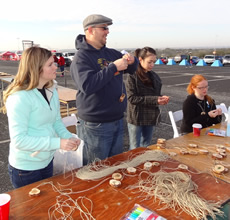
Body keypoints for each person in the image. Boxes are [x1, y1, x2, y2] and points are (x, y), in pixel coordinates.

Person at [2, 47, 81, 188]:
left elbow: (56, 121)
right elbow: (19, 140)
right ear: (36, 68)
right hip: (25, 169)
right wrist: (58, 143)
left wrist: (69, 137)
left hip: (47, 161)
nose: (56, 66)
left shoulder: (51, 90)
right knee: (31, 210)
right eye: (50, 64)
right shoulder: (19, 97)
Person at [70, 14, 138, 165]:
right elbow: (87, 85)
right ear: (91, 30)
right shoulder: (81, 58)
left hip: (116, 120)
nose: (107, 32)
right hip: (95, 125)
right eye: (104, 28)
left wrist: (133, 60)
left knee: (114, 166)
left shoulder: (111, 53)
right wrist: (113, 67)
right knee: (95, 169)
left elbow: (132, 68)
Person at [125, 47, 170, 150]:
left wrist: (161, 99)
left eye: (154, 62)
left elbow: (155, 94)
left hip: (150, 116)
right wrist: (155, 100)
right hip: (137, 117)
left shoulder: (154, 76)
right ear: (140, 59)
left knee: (146, 146)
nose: (152, 65)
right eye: (149, 62)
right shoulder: (133, 76)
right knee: (135, 148)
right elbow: (132, 98)